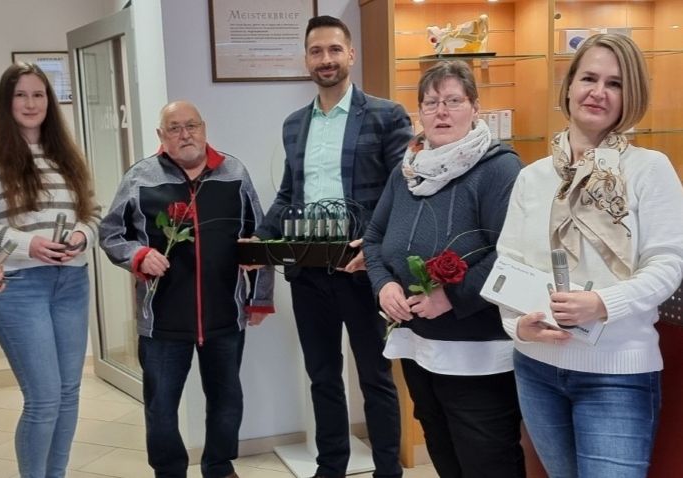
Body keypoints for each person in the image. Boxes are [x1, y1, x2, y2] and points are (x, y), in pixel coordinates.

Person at [497, 33, 683, 478]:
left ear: (629, 96)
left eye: (615, 83)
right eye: (589, 78)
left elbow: (668, 266)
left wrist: (602, 304)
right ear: (569, 86)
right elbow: (509, 265)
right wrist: (514, 324)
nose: (598, 92)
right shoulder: (533, 177)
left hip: (618, 374)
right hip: (536, 366)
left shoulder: (649, 168)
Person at [253, 15, 411, 478]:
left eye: (334, 50)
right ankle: (331, 467)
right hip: (307, 271)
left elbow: (403, 190)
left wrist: (380, 251)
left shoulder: (386, 115)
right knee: (322, 377)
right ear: (306, 58)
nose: (326, 60)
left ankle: (388, 469)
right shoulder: (294, 124)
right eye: (317, 51)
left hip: (364, 269)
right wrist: (258, 241)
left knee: (375, 378)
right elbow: (290, 194)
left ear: (351, 55)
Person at [362, 61, 525, 477]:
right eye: (431, 103)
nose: (441, 112)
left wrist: (450, 296)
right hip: (420, 344)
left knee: (487, 459)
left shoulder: (499, 168)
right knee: (442, 448)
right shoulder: (409, 168)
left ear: (475, 107)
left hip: (478, 351)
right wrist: (383, 286)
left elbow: (512, 254)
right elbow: (375, 237)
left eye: (453, 101)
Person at [99, 100, 274, 478]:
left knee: (227, 399)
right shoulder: (140, 177)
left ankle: (219, 465)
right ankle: (168, 470)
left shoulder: (234, 172)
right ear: (162, 136)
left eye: (191, 125)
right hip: (162, 318)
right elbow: (110, 233)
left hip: (225, 314)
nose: (185, 134)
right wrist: (139, 255)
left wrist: (259, 298)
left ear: (204, 128)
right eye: (174, 128)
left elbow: (259, 238)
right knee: (160, 406)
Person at [0, 62, 101, 478]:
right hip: (20, 287)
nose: (30, 103)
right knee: (43, 399)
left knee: (69, 393)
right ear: (6, 102)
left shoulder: (67, 154)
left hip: (71, 282)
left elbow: (93, 215)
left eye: (38, 94)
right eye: (20, 94)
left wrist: (79, 237)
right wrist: (28, 245)